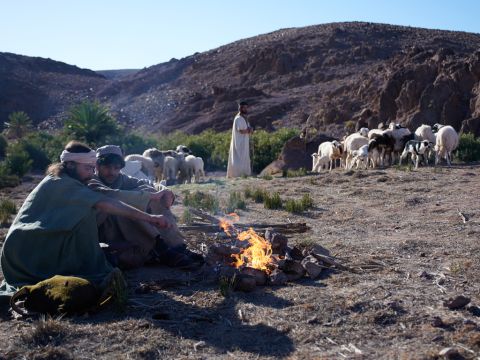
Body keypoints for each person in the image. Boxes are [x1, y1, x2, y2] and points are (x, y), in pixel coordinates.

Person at [0, 141, 172, 296]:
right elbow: (106, 203)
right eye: (87, 168)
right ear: (70, 164)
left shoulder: (67, 179)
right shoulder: (62, 183)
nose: (91, 173)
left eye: (92, 168)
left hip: (33, 245)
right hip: (26, 253)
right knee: (98, 272)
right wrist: (150, 218)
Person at [88, 145, 203, 270]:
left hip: (122, 230)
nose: (112, 172)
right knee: (127, 204)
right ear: (97, 166)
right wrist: (150, 197)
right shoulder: (91, 180)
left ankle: (176, 246)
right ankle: (161, 249)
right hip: (102, 231)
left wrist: (165, 191)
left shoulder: (120, 178)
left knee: (148, 191)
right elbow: (111, 195)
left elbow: (146, 183)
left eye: (116, 168)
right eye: (106, 167)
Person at [226, 101, 253, 178]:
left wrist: (250, 130)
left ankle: (245, 174)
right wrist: (249, 130)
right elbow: (241, 130)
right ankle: (236, 175)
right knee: (238, 159)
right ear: (240, 108)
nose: (245, 109)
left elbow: (247, 129)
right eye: (244, 107)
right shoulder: (238, 118)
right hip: (239, 142)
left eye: (246, 107)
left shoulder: (244, 118)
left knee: (244, 158)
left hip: (244, 142)